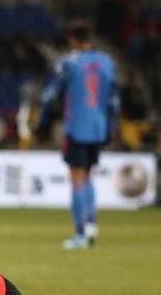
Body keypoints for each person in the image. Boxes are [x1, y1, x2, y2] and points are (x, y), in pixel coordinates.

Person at [36, 19, 120, 249]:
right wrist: (110, 127)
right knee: (89, 175)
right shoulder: (107, 62)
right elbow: (114, 100)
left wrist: (42, 121)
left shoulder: (69, 62)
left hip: (76, 127)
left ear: (72, 39)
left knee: (77, 178)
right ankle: (92, 223)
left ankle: (80, 233)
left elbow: (50, 94)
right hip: (99, 127)